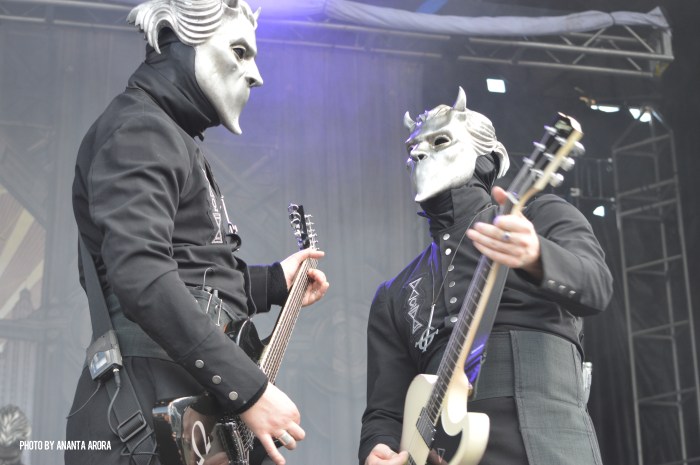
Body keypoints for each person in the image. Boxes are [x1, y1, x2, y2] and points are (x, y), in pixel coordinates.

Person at [66, 1, 329, 465]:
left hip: (168, 408)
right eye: (240, 52)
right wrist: (250, 390)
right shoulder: (141, 128)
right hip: (143, 420)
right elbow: (143, 278)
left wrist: (272, 282)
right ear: (183, 40)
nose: (256, 75)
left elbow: (190, 274)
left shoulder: (164, 133)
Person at [359, 87, 612, 465]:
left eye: (439, 141)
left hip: (547, 443)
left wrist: (537, 255)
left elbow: (597, 286)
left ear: (488, 158)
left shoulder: (540, 216)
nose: (419, 152)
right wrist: (376, 447)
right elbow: (385, 410)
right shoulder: (394, 293)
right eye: (412, 147)